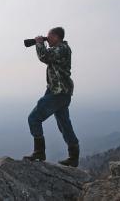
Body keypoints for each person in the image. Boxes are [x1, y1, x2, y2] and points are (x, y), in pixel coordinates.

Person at [23, 27, 80, 167]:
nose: (47, 39)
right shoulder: (60, 49)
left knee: (34, 118)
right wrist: (40, 43)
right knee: (64, 125)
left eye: (49, 37)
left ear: (56, 37)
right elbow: (48, 59)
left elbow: (44, 57)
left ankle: (39, 152)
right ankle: (73, 157)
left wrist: (39, 43)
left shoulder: (62, 49)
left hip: (59, 93)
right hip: (58, 92)